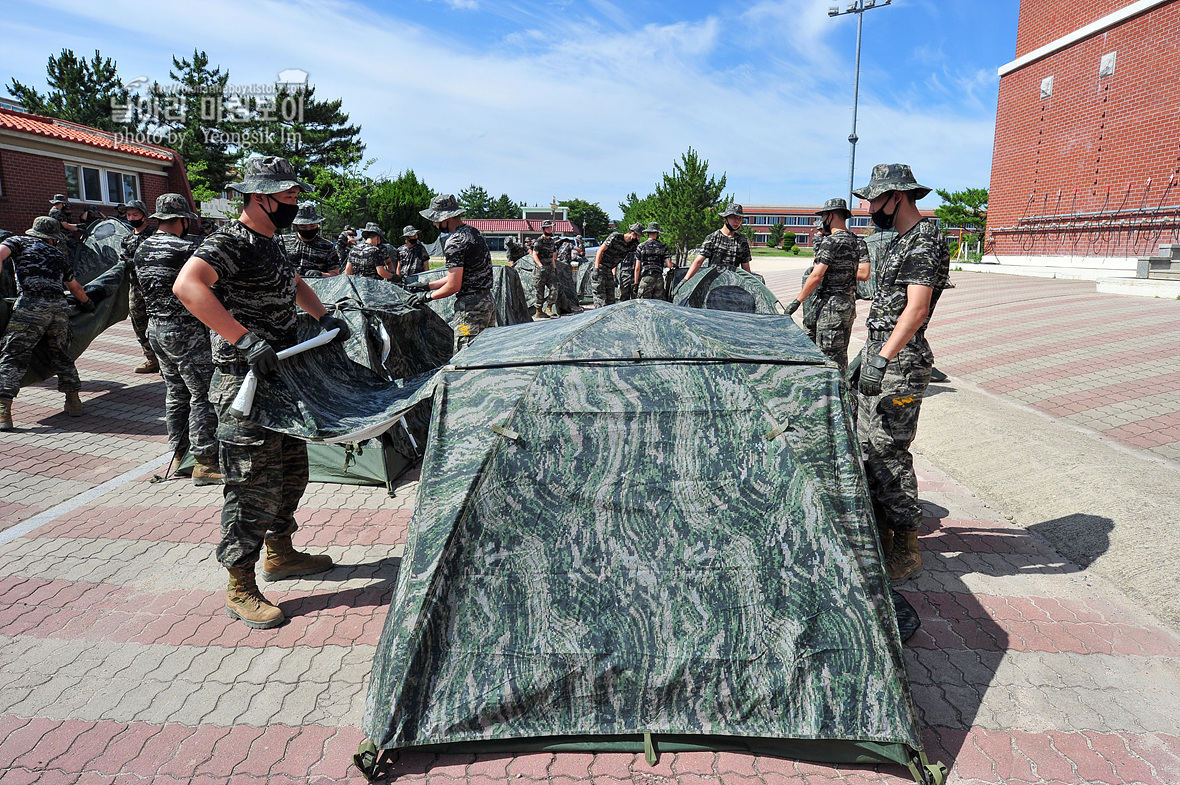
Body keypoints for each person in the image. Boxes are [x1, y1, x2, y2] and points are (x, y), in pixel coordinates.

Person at [173, 155, 351, 630]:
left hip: (282, 381)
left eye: (295, 195)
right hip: (244, 385)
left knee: (292, 473)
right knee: (251, 487)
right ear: (259, 196)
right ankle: (240, 584)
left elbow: (291, 283)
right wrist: (243, 338)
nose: (296, 203)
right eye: (288, 196)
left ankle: (281, 553)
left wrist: (321, 315)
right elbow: (187, 286)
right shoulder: (229, 240)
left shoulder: (273, 243)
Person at [852, 164, 951, 584]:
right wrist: (866, 355)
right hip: (881, 353)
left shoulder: (925, 239)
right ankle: (885, 534)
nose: (869, 206)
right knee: (866, 448)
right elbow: (885, 308)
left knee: (889, 452)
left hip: (902, 363)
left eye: (875, 198)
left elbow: (917, 309)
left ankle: (907, 548)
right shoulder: (897, 241)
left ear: (898, 197)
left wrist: (883, 358)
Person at [133, 194, 220, 485]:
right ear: (182, 220)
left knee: (176, 393)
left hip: (156, 330)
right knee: (204, 394)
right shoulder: (188, 249)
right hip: (185, 331)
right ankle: (206, 462)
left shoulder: (141, 248)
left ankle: (180, 452)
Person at [0, 217, 95, 430]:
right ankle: (74, 402)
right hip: (59, 309)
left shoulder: (17, 242)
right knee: (61, 354)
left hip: (30, 306)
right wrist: (88, 304)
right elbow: (76, 288)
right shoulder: (58, 254)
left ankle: (3, 412)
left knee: (13, 355)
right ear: (52, 239)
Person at [785, 198, 870, 376]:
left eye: (824, 215)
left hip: (830, 308)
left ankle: (832, 397)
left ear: (830, 216)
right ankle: (842, 392)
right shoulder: (859, 242)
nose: (822, 220)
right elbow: (865, 273)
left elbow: (816, 275)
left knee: (827, 357)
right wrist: (845, 269)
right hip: (848, 306)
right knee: (841, 354)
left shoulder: (830, 242)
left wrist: (797, 301)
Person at [404, 194, 494, 351]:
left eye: (436, 220)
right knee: (484, 355)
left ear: (446, 219)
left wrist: (427, 297)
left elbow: (453, 285)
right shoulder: (474, 233)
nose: (434, 224)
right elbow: (459, 276)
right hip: (487, 302)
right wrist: (427, 286)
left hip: (470, 310)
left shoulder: (455, 242)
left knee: (465, 359)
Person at [120, 199, 162, 374]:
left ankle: (165, 359)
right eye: (129, 215)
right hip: (136, 288)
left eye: (135, 214)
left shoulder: (155, 235)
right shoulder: (127, 238)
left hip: (155, 288)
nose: (131, 218)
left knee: (160, 322)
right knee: (139, 323)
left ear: (144, 216)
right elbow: (122, 262)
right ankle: (151, 359)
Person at [682, 203, 751, 282]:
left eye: (739, 218)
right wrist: (685, 280)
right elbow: (698, 262)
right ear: (725, 218)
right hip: (713, 285)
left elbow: (746, 269)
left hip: (732, 286)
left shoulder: (742, 241)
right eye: (733, 217)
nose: (737, 221)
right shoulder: (713, 238)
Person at [283, 203, 339, 278]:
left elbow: (335, 273)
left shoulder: (327, 246)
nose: (308, 229)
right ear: (296, 226)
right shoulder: (283, 242)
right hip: (288, 287)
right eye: (303, 226)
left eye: (312, 225)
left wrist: (320, 274)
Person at [593, 223, 641, 308]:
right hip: (600, 267)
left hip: (608, 270)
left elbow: (616, 259)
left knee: (611, 299)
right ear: (633, 234)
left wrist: (614, 274)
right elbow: (600, 250)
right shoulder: (615, 237)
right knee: (600, 298)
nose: (639, 238)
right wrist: (596, 268)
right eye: (638, 236)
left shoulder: (633, 245)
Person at [529, 220, 559, 319]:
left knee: (555, 288)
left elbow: (552, 257)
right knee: (539, 291)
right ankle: (539, 311)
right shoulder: (539, 241)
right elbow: (534, 255)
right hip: (540, 270)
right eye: (548, 228)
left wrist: (554, 268)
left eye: (551, 227)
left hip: (550, 269)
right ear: (543, 229)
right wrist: (541, 266)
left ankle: (549, 307)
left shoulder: (551, 241)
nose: (550, 229)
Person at [634, 222, 672, 299]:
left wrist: (636, 283)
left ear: (648, 232)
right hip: (658, 279)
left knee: (643, 305)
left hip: (646, 278)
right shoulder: (663, 246)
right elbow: (669, 265)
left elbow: (637, 268)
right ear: (657, 233)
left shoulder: (641, 246)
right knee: (658, 305)